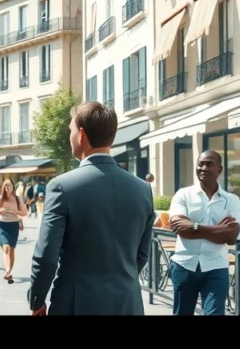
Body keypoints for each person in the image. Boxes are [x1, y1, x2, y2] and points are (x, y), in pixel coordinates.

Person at [28, 102, 156, 315]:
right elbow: (142, 254)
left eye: (70, 130)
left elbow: (47, 255)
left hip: (76, 303)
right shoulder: (143, 189)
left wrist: (37, 299)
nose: (69, 136)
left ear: (81, 134)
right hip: (128, 302)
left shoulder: (61, 186)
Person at [167, 150, 240, 316]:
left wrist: (193, 227)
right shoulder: (183, 195)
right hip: (184, 265)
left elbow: (231, 236)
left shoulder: (231, 200)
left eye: (209, 164)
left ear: (220, 169)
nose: (203, 168)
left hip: (216, 267)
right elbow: (179, 227)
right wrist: (217, 230)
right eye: (200, 164)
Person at [0, 178, 27, 284]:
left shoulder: (17, 199)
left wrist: (12, 211)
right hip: (2, 225)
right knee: (6, 248)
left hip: (14, 225)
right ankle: (7, 271)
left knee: (11, 249)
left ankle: (9, 272)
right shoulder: (0, 198)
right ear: (3, 187)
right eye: (6, 185)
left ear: (13, 186)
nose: (8, 187)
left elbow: (24, 213)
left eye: (9, 185)